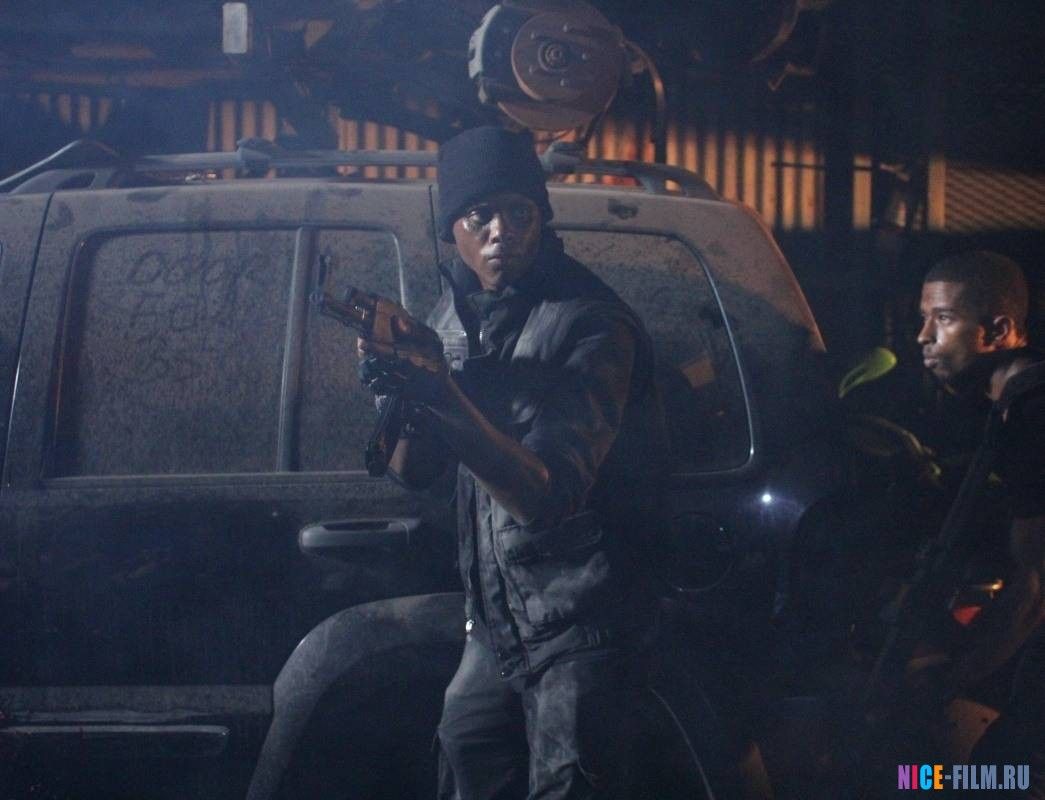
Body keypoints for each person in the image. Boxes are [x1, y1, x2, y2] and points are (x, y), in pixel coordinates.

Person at [355, 126, 667, 799]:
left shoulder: (589, 323)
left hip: (581, 624)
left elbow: (546, 497)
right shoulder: (452, 317)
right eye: (481, 215)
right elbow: (415, 473)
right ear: (453, 231)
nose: (503, 232)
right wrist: (403, 393)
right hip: (498, 625)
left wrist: (443, 390)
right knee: (465, 752)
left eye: (521, 213)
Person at [914, 251, 1044, 788]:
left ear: (998, 330)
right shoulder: (1016, 404)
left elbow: (1035, 589)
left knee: (978, 778)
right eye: (924, 318)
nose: (923, 336)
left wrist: (948, 682)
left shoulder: (1031, 413)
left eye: (943, 319)